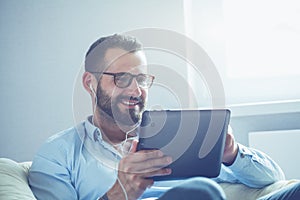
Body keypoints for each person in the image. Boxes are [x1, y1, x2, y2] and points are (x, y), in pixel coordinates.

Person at [28, 34, 300, 200]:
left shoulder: (177, 136)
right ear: (90, 83)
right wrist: (119, 194)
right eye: (122, 78)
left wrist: (232, 153)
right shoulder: (59, 153)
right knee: (201, 193)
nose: (136, 89)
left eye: (142, 79)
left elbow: (272, 178)